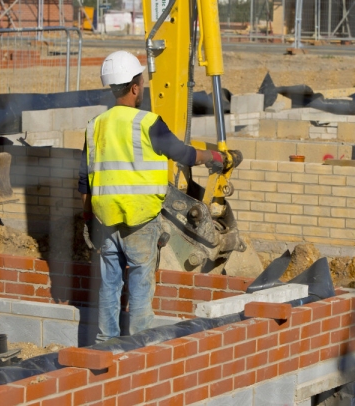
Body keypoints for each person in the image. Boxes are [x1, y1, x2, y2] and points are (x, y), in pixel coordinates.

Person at [78, 50, 237, 341]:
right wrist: (215, 156)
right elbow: (185, 154)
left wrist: (87, 220)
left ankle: (105, 344)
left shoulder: (95, 126)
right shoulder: (148, 123)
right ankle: (140, 345)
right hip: (140, 220)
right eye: (142, 81)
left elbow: (84, 181)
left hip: (105, 219)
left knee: (108, 284)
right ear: (135, 86)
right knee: (140, 284)